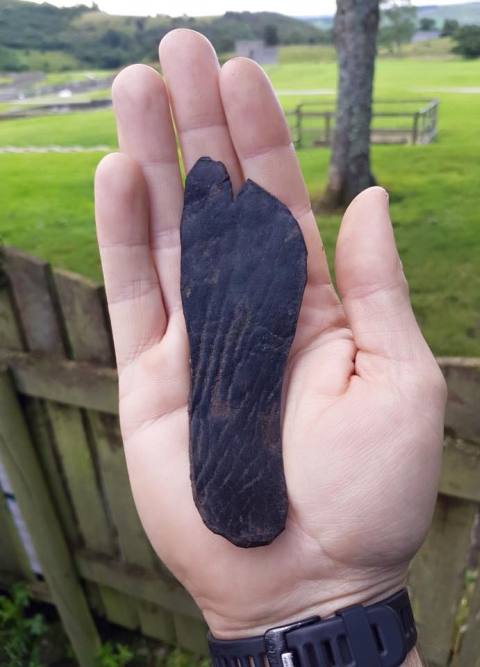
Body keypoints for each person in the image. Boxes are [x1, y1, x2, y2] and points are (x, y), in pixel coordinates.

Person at [94, 29, 447, 667]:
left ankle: (231, 327)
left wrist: (294, 614)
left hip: (241, 478)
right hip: (235, 468)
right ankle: (230, 327)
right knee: (225, 367)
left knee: (227, 364)